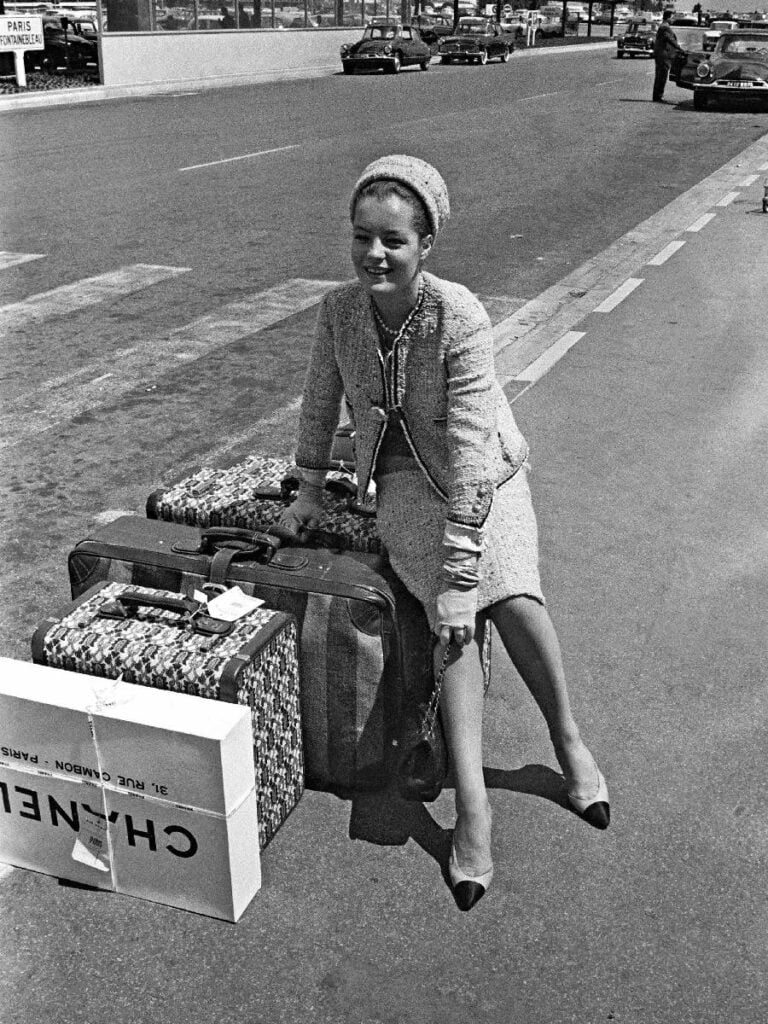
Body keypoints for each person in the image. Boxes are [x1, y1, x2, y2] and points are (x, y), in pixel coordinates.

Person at [280, 155, 610, 912]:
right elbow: (316, 403)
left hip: (487, 483)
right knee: (449, 630)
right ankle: (474, 808)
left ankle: (567, 742)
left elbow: (469, 447)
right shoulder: (338, 311)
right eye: (363, 237)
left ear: (427, 243)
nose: (375, 255)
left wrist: (463, 573)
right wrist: (305, 492)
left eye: (394, 239)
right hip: (401, 494)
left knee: (511, 596)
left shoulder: (457, 315)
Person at [653, 9, 685, 103]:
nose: (673, 19)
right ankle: (659, 96)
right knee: (661, 76)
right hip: (663, 56)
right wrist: (680, 49)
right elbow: (670, 40)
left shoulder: (663, 26)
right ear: (668, 17)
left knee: (659, 76)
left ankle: (657, 96)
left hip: (661, 55)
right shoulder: (665, 27)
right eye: (672, 17)